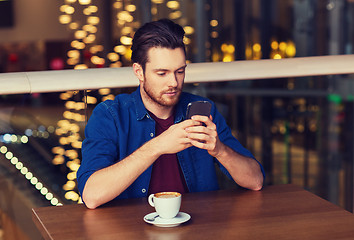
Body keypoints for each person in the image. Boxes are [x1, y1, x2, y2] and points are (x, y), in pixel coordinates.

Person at [77, 19, 265, 209]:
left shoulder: (203, 109)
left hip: (199, 228)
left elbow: (256, 181)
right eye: (162, 73)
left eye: (180, 71)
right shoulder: (110, 115)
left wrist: (220, 150)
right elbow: (92, 195)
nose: (174, 82)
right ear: (139, 71)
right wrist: (157, 146)